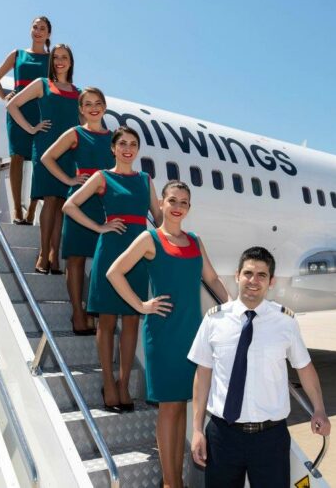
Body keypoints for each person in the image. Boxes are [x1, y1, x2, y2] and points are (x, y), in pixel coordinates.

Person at [107, 180, 230, 488]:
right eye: (172, 200)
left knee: (182, 405)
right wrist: (141, 305)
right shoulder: (149, 239)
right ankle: (172, 483)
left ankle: (174, 480)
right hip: (162, 333)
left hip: (192, 333)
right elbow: (114, 272)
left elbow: (212, 279)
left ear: (189, 208)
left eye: (183, 202)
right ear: (160, 204)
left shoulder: (195, 241)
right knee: (169, 407)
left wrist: (233, 308)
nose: (177, 207)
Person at [188, 247, 331, 488]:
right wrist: (197, 430)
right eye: (248, 273)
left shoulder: (285, 322)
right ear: (237, 276)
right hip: (223, 436)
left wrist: (319, 409)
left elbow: (304, 368)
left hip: (270, 438)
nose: (253, 281)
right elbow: (202, 376)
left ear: (271, 281)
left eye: (261, 275)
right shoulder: (214, 320)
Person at [62, 126, 162, 412]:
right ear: (113, 148)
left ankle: (123, 383)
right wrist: (98, 227)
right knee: (106, 321)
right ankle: (108, 381)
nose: (128, 149)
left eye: (133, 144)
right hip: (110, 250)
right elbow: (70, 205)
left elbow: (158, 218)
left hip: (138, 254)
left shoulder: (145, 180)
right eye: (123, 144)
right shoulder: (102, 177)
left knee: (131, 320)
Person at [40, 87, 113, 335]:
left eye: (98, 103)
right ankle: (78, 314)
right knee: (76, 259)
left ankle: (93, 310)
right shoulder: (75, 133)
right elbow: (47, 157)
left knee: (101, 259)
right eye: (87, 104)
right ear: (80, 109)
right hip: (81, 201)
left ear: (104, 107)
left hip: (104, 203)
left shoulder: (114, 138)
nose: (93, 108)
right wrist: (70, 180)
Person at [6, 44, 78, 275]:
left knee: (60, 203)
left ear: (71, 62)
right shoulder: (42, 84)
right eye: (55, 57)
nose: (59, 61)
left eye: (64, 57)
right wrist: (31, 128)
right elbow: (12, 105)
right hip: (46, 146)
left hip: (68, 152)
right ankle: (43, 254)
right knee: (49, 199)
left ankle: (54, 257)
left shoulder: (78, 93)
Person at [0, 16, 52, 224]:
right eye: (35, 27)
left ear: (48, 34)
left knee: (38, 160)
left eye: (42, 28)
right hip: (18, 110)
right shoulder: (17, 54)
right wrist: (4, 96)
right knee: (16, 156)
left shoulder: (52, 60)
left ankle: (32, 210)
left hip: (41, 111)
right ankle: (17, 210)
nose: (38, 31)